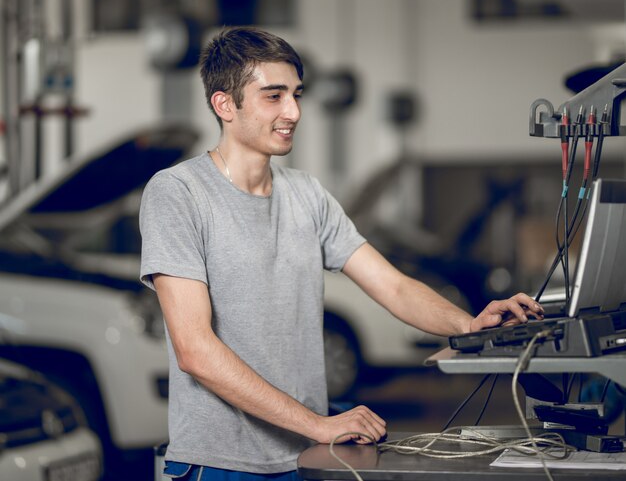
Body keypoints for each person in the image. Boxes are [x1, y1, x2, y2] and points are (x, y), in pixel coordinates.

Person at [139, 26, 544, 480]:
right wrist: (319, 424)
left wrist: (468, 326)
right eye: (273, 96)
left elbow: (391, 285)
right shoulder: (177, 193)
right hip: (222, 463)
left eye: (296, 94)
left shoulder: (306, 194)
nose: (293, 111)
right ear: (224, 104)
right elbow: (194, 350)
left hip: (307, 455)